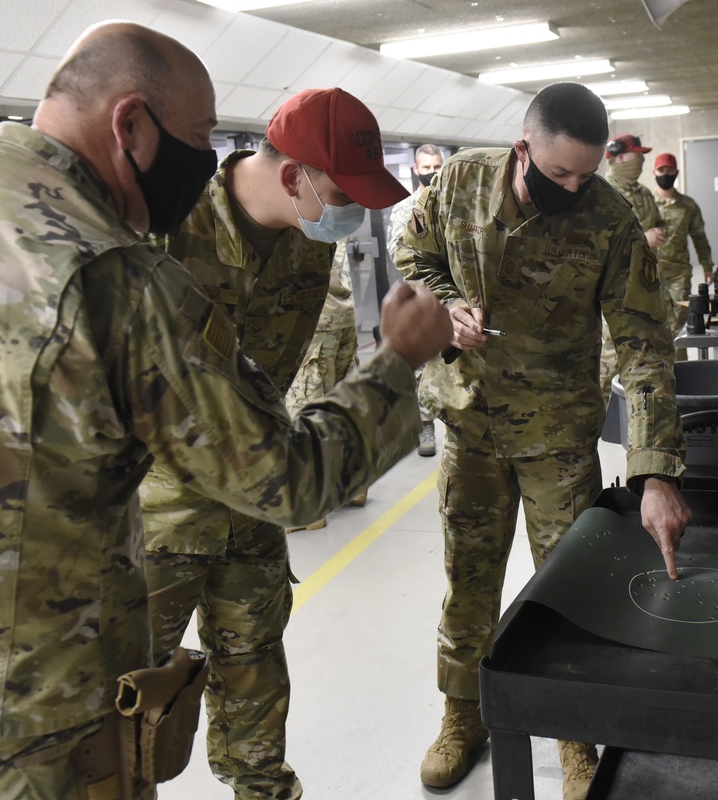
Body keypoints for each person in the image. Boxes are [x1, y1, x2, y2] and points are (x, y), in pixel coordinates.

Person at [0, 22, 451, 799]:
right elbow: (288, 476)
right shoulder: (124, 267)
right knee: (143, 709)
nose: (204, 156)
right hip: (57, 670)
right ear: (129, 123)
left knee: (249, 700)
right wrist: (398, 360)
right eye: (199, 135)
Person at [396, 82, 692, 800]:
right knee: (469, 584)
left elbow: (643, 345)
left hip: (557, 432)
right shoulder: (463, 179)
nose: (575, 187)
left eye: (587, 174)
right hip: (468, 422)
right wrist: (445, 307)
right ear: (523, 147)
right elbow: (414, 254)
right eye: (560, 173)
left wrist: (655, 471)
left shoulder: (611, 220)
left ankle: (574, 735)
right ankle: (460, 716)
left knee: (568, 590)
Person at [139, 87, 410, 800]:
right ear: (295, 178)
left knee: (256, 690)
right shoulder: (165, 234)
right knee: (129, 712)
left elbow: (270, 384)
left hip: (254, 508)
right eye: (343, 195)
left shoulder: (302, 248)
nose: (352, 217)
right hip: (157, 521)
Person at [284, 237, 366, 526]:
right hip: (343, 314)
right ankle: (353, 485)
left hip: (315, 322)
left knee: (306, 408)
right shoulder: (329, 220)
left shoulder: (293, 223)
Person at [599, 133, 668, 401]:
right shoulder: (604, 194)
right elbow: (600, 247)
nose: (639, 160)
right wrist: (643, 241)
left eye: (641, 156)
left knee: (647, 358)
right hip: (616, 294)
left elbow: (658, 221)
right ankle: (604, 422)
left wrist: (659, 232)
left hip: (646, 287)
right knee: (611, 360)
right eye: (635, 155)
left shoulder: (644, 193)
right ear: (617, 158)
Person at [387, 143, 445, 457]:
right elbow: (399, 255)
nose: (432, 174)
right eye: (427, 169)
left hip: (455, 298)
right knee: (423, 367)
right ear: (415, 170)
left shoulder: (454, 204)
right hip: (423, 298)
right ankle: (424, 426)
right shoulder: (406, 209)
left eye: (437, 168)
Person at [652, 151, 714, 352]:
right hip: (649, 273)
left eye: (669, 170)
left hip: (679, 274)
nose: (665, 174)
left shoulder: (688, 205)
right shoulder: (646, 204)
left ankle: (679, 373)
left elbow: (699, 237)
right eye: (661, 170)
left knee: (678, 325)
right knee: (652, 324)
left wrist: (707, 266)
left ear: (676, 172)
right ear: (654, 172)